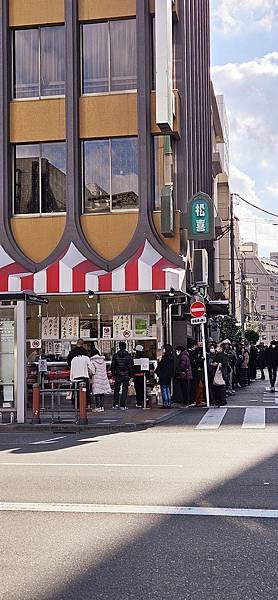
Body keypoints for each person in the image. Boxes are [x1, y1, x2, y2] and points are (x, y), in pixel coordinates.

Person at [111, 342, 134, 410]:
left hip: (118, 374)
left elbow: (113, 366)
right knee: (124, 390)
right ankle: (123, 405)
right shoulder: (129, 356)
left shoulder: (115, 355)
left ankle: (116, 404)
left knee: (116, 390)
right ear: (125, 347)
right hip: (126, 374)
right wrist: (131, 375)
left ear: (119, 347)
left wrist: (113, 374)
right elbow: (131, 366)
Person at [155, 344, 174, 409]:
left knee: (163, 389)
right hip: (168, 375)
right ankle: (169, 403)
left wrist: (157, 371)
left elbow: (160, 366)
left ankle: (165, 403)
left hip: (163, 375)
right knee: (167, 389)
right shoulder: (171, 357)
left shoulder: (165, 358)